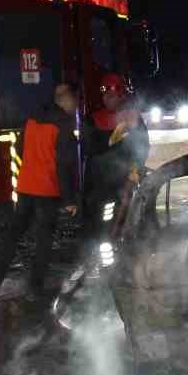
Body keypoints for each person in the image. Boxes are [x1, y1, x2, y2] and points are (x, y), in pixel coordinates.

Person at [0, 83, 80, 295]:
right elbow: (64, 165)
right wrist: (69, 200)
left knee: (13, 234)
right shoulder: (63, 125)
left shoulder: (31, 120)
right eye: (74, 102)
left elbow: (19, 148)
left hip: (25, 187)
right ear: (65, 100)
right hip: (47, 191)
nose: (75, 107)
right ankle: (34, 288)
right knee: (43, 241)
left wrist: (33, 165)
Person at [81, 72, 150, 250]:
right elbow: (89, 148)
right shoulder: (93, 119)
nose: (108, 99)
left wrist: (135, 171)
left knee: (127, 227)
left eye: (112, 95)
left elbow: (142, 147)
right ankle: (102, 265)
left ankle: (124, 263)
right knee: (101, 230)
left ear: (121, 96)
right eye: (105, 95)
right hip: (99, 187)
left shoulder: (133, 119)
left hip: (123, 185)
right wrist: (112, 139)